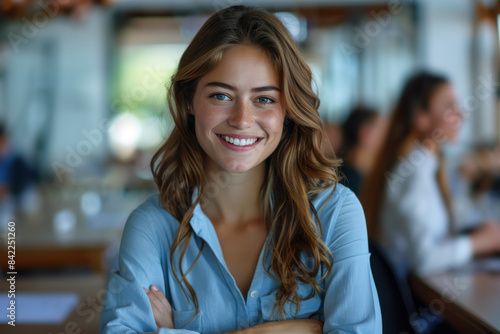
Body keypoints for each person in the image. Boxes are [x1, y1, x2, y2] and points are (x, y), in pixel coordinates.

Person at [100, 5, 382, 334]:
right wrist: (301, 329)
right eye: (221, 95)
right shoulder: (151, 227)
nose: (242, 120)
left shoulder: (336, 213)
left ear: (288, 110)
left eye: (264, 99)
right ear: (189, 100)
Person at [361, 72, 500, 278]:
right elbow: (424, 259)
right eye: (449, 106)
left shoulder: (424, 164)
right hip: (411, 299)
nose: (461, 114)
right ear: (421, 117)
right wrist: (478, 242)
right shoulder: (414, 173)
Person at [338, 106, 385, 197]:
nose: (387, 138)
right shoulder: (351, 183)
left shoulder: (342, 173)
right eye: (382, 130)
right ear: (365, 132)